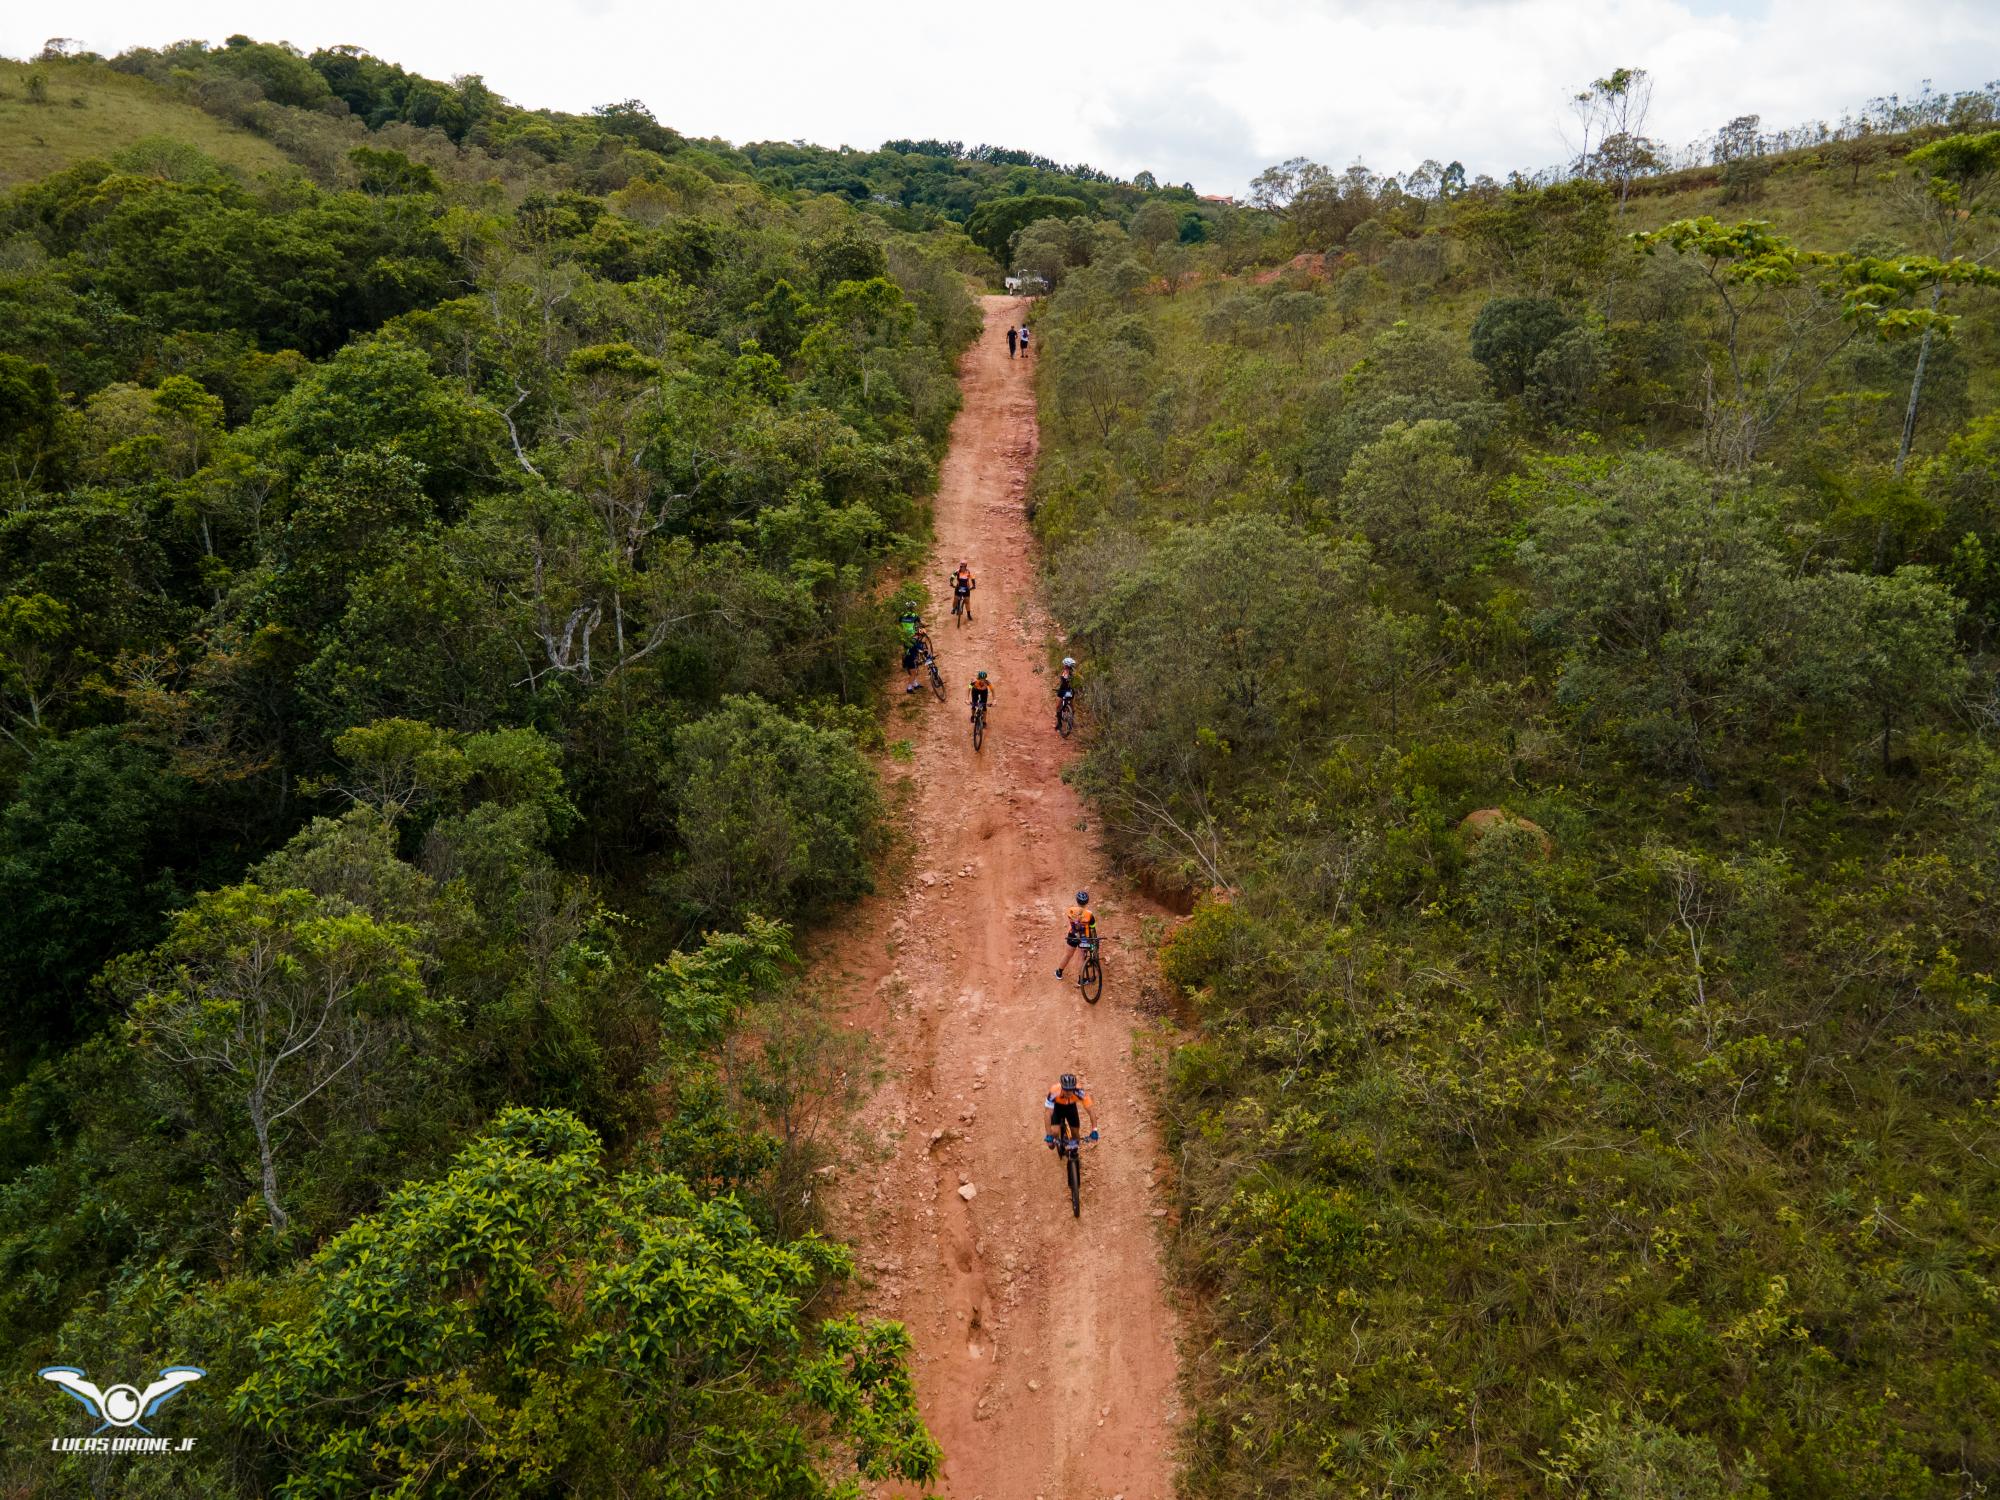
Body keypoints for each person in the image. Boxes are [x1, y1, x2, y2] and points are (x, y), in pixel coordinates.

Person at [1043, 1072, 1097, 1151]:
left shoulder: (1079, 1091)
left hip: (1071, 1108)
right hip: (1057, 1108)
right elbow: (1048, 1113)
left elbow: (1091, 1111)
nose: (1069, 1092)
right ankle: (1056, 1140)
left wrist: (1094, 1129)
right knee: (1054, 1135)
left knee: (1075, 1135)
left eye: (1071, 1089)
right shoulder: (1054, 1091)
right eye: (1066, 1089)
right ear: (1062, 1087)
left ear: (1074, 1087)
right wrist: (1048, 1134)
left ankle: (1073, 1154)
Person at [1055, 889, 1096, 979]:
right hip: (1084, 938)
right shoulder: (1090, 914)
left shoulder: (1070, 910)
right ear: (1087, 902)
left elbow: (1072, 920)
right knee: (1081, 958)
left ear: (1077, 901)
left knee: (1067, 955)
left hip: (1072, 935)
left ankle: (1059, 972)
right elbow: (1093, 927)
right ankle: (1081, 980)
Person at [897, 602, 925, 693]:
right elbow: (920, 624)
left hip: (905, 638)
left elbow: (898, 625)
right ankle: (909, 687)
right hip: (912, 637)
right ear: (913, 608)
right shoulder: (915, 615)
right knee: (914, 669)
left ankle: (915, 684)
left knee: (911, 659)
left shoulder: (902, 616)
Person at [1054, 656, 1077, 728]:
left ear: (1066, 665)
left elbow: (1064, 682)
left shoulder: (1068, 672)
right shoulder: (1073, 672)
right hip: (1070, 691)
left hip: (1064, 691)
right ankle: (1072, 720)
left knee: (1058, 706)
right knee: (1072, 706)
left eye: (1064, 664)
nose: (1063, 665)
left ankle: (1059, 723)